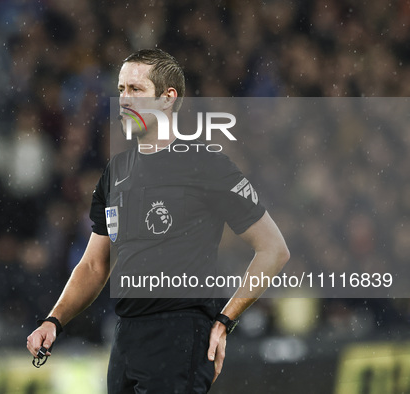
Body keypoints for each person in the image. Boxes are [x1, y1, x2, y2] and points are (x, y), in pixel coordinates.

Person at [26, 48, 290, 393]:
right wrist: (54, 320)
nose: (124, 100)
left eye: (136, 90)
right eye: (121, 90)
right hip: (125, 337)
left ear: (168, 99)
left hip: (180, 335)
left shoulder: (206, 165)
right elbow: (93, 264)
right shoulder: (115, 172)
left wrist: (225, 320)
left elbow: (274, 250)